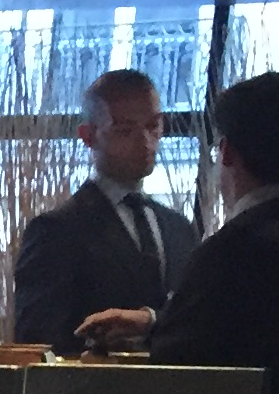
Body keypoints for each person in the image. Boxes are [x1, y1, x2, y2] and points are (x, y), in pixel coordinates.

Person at [82, 72, 279, 394]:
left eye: (153, 126)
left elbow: (177, 375)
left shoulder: (229, 253)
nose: (145, 142)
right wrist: (153, 322)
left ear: (226, 152)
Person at [10, 68, 201, 353]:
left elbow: (194, 323)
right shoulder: (56, 231)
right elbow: (38, 342)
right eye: (124, 129)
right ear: (88, 135)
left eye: (154, 126)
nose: (145, 142)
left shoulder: (179, 228)